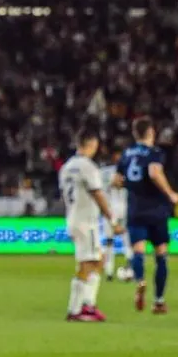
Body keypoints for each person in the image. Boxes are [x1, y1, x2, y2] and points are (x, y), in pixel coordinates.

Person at [115, 117, 178, 314]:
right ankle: (158, 301)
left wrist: (132, 187)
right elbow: (154, 173)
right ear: (151, 132)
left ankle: (140, 279)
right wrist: (170, 193)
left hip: (135, 210)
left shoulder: (126, 154)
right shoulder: (155, 153)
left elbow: (116, 181)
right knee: (161, 255)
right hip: (156, 210)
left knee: (138, 252)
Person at [58, 128, 121, 322]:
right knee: (88, 263)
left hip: (73, 218)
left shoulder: (67, 167)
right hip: (87, 221)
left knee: (97, 260)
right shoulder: (88, 167)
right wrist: (112, 219)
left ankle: (87, 304)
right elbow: (98, 194)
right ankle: (77, 309)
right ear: (92, 145)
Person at [100, 157, 133, 282]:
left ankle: (130, 266)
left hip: (124, 217)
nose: (118, 180)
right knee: (109, 243)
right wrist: (113, 223)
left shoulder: (127, 191)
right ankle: (109, 271)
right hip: (110, 216)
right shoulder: (108, 191)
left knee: (127, 240)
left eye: (120, 179)